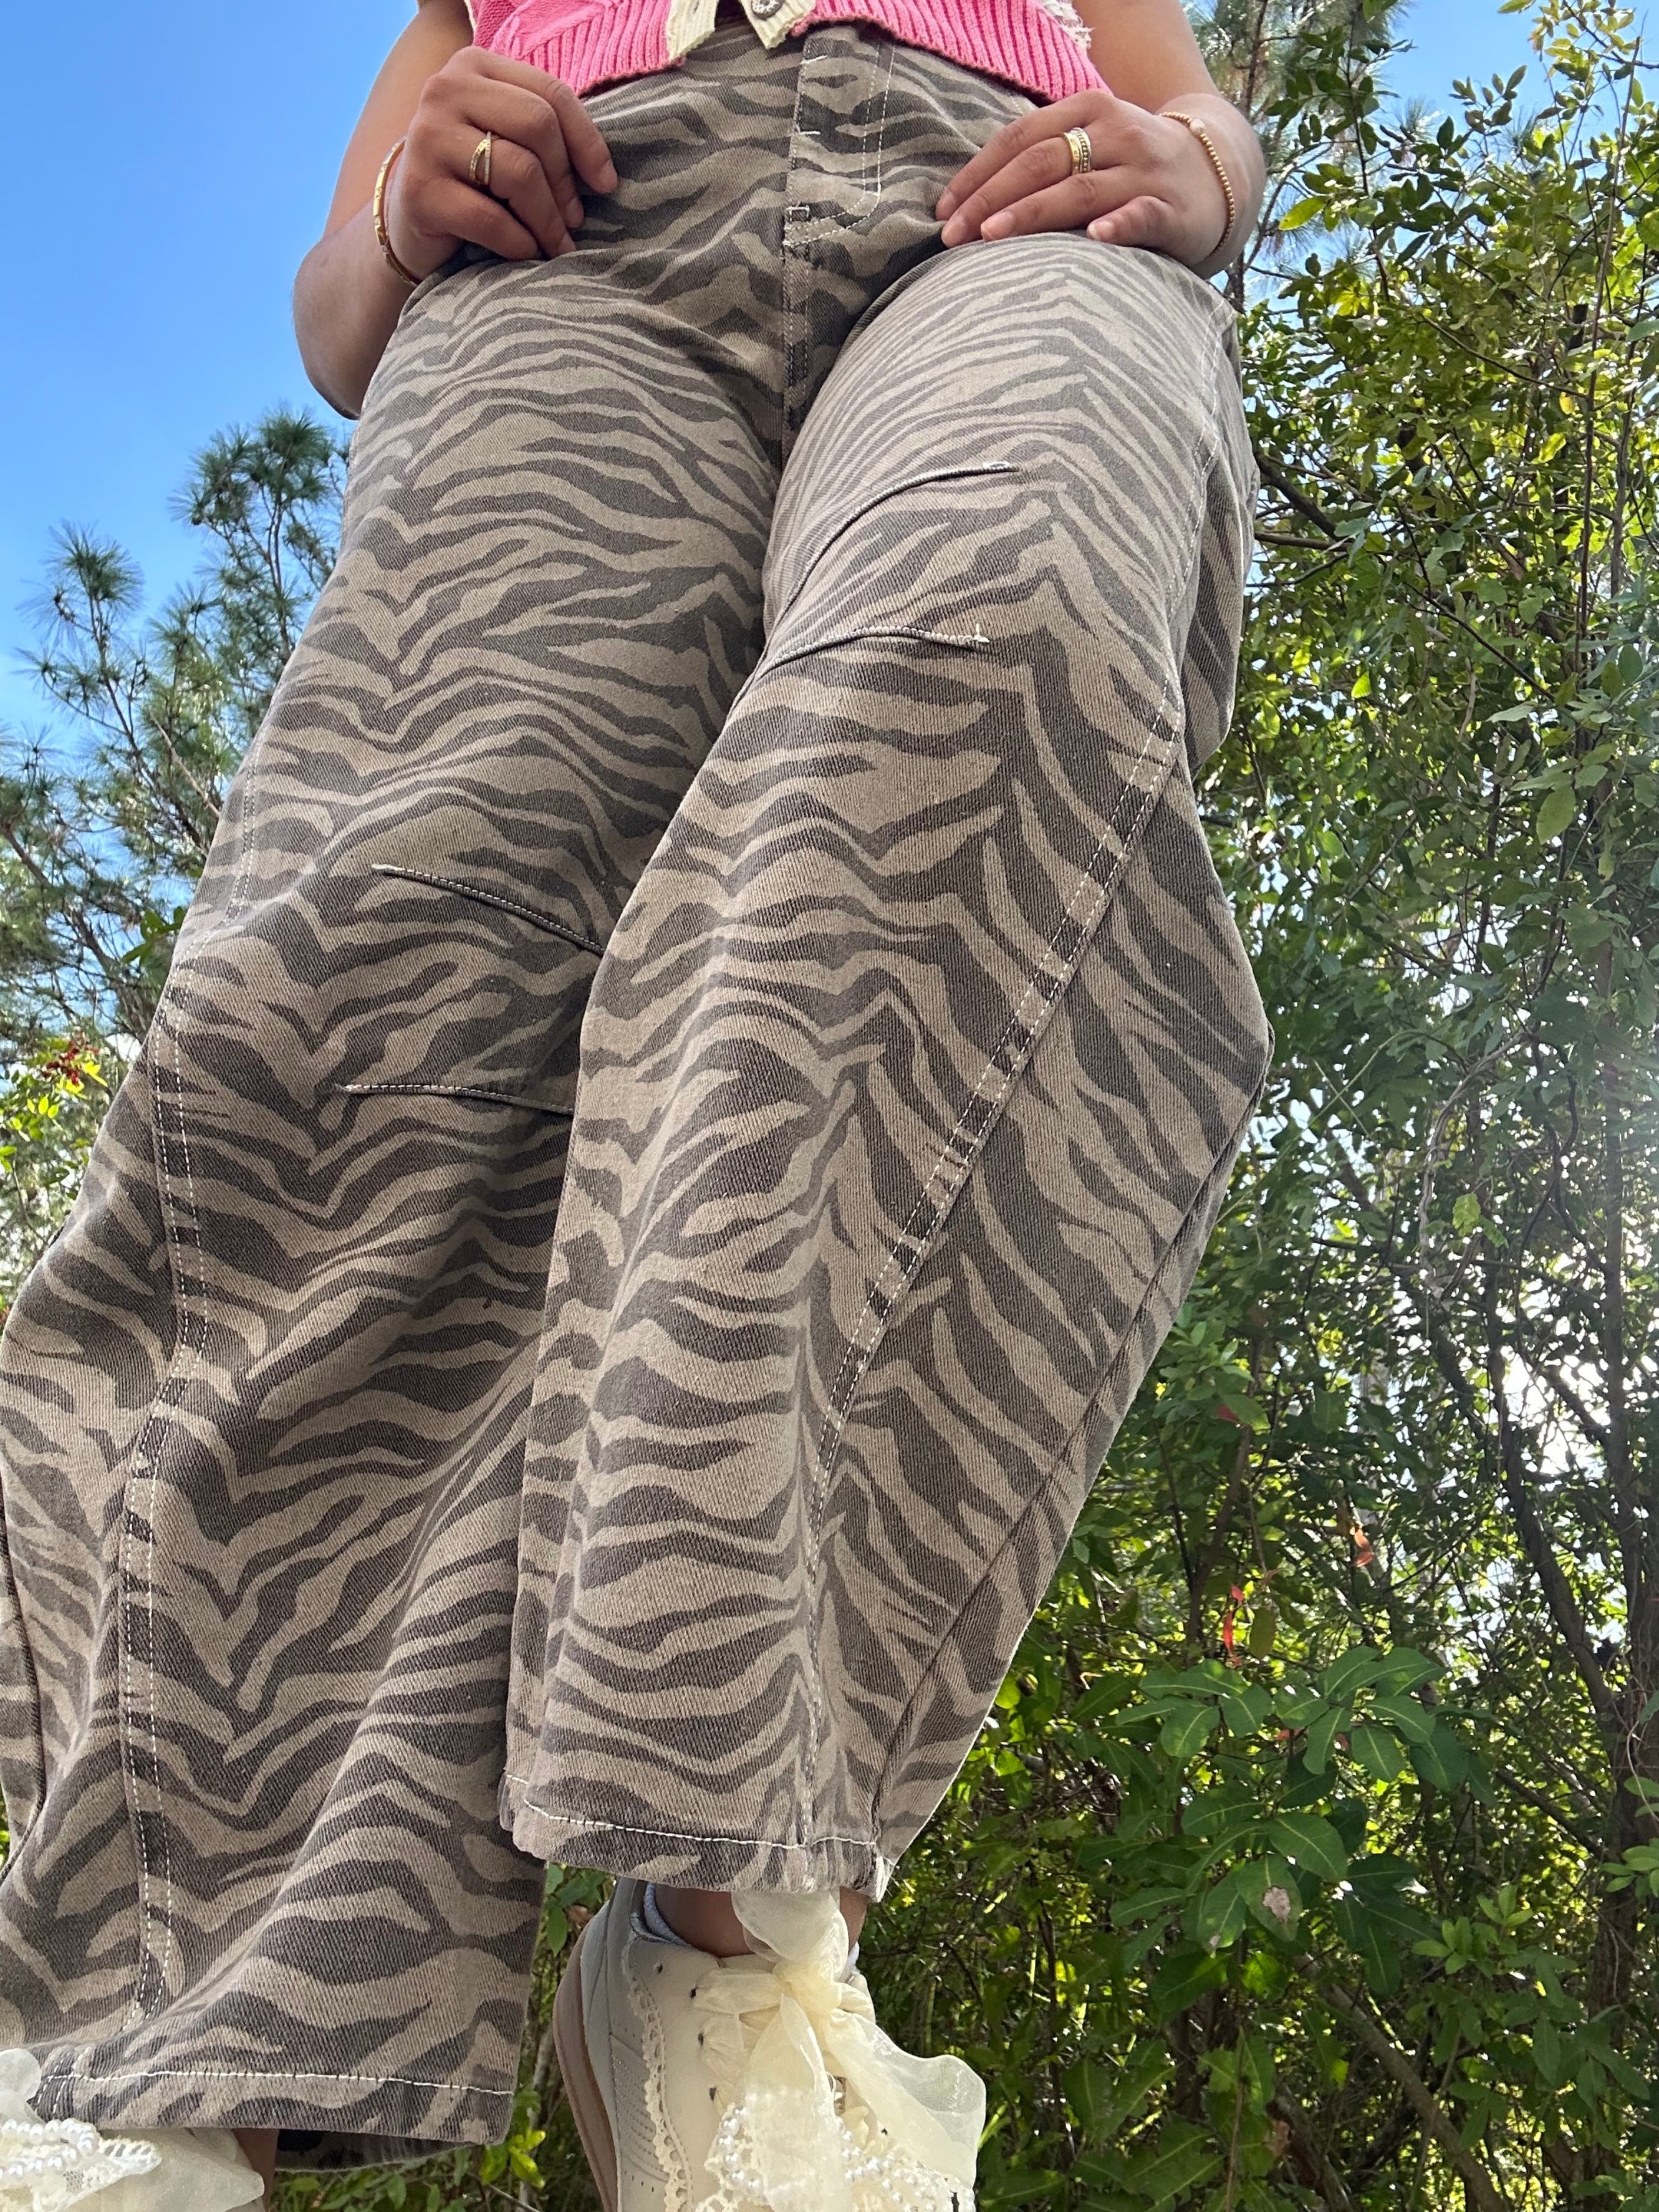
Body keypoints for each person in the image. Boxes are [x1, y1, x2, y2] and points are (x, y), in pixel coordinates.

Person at [0, 0, 1269, 2203]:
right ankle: (160, 2040)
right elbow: (334, 314)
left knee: (1008, 655)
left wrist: (1210, 172)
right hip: (570, 258)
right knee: (400, 936)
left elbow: (1181, 109)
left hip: (1001, 218)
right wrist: (394, 219)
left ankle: (735, 1919)